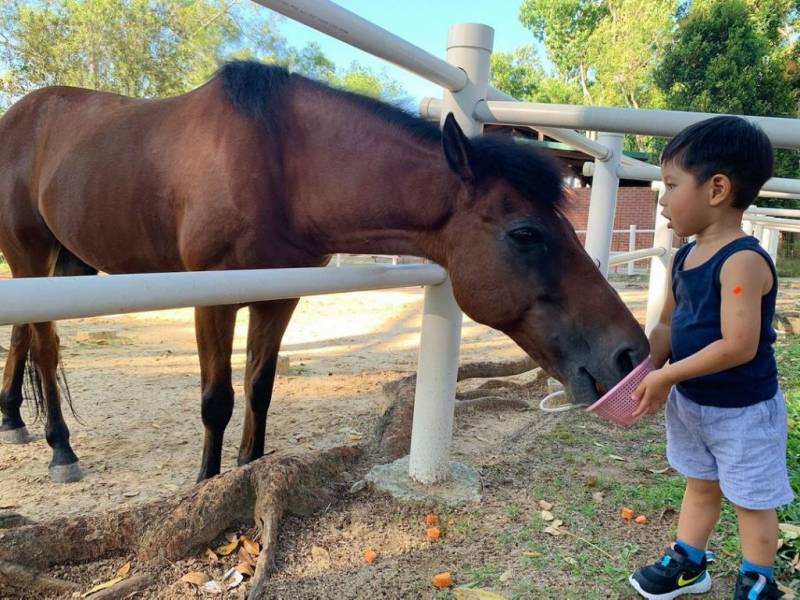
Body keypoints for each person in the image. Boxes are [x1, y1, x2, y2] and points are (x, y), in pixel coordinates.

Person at [627, 115, 793, 600]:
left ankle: (758, 579)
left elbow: (737, 344)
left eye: (672, 184)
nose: (662, 198)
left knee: (751, 500)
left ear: (717, 188)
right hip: (693, 404)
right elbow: (664, 327)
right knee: (699, 485)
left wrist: (667, 377)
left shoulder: (742, 260)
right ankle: (689, 563)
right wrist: (644, 370)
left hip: (743, 412)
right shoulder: (683, 257)